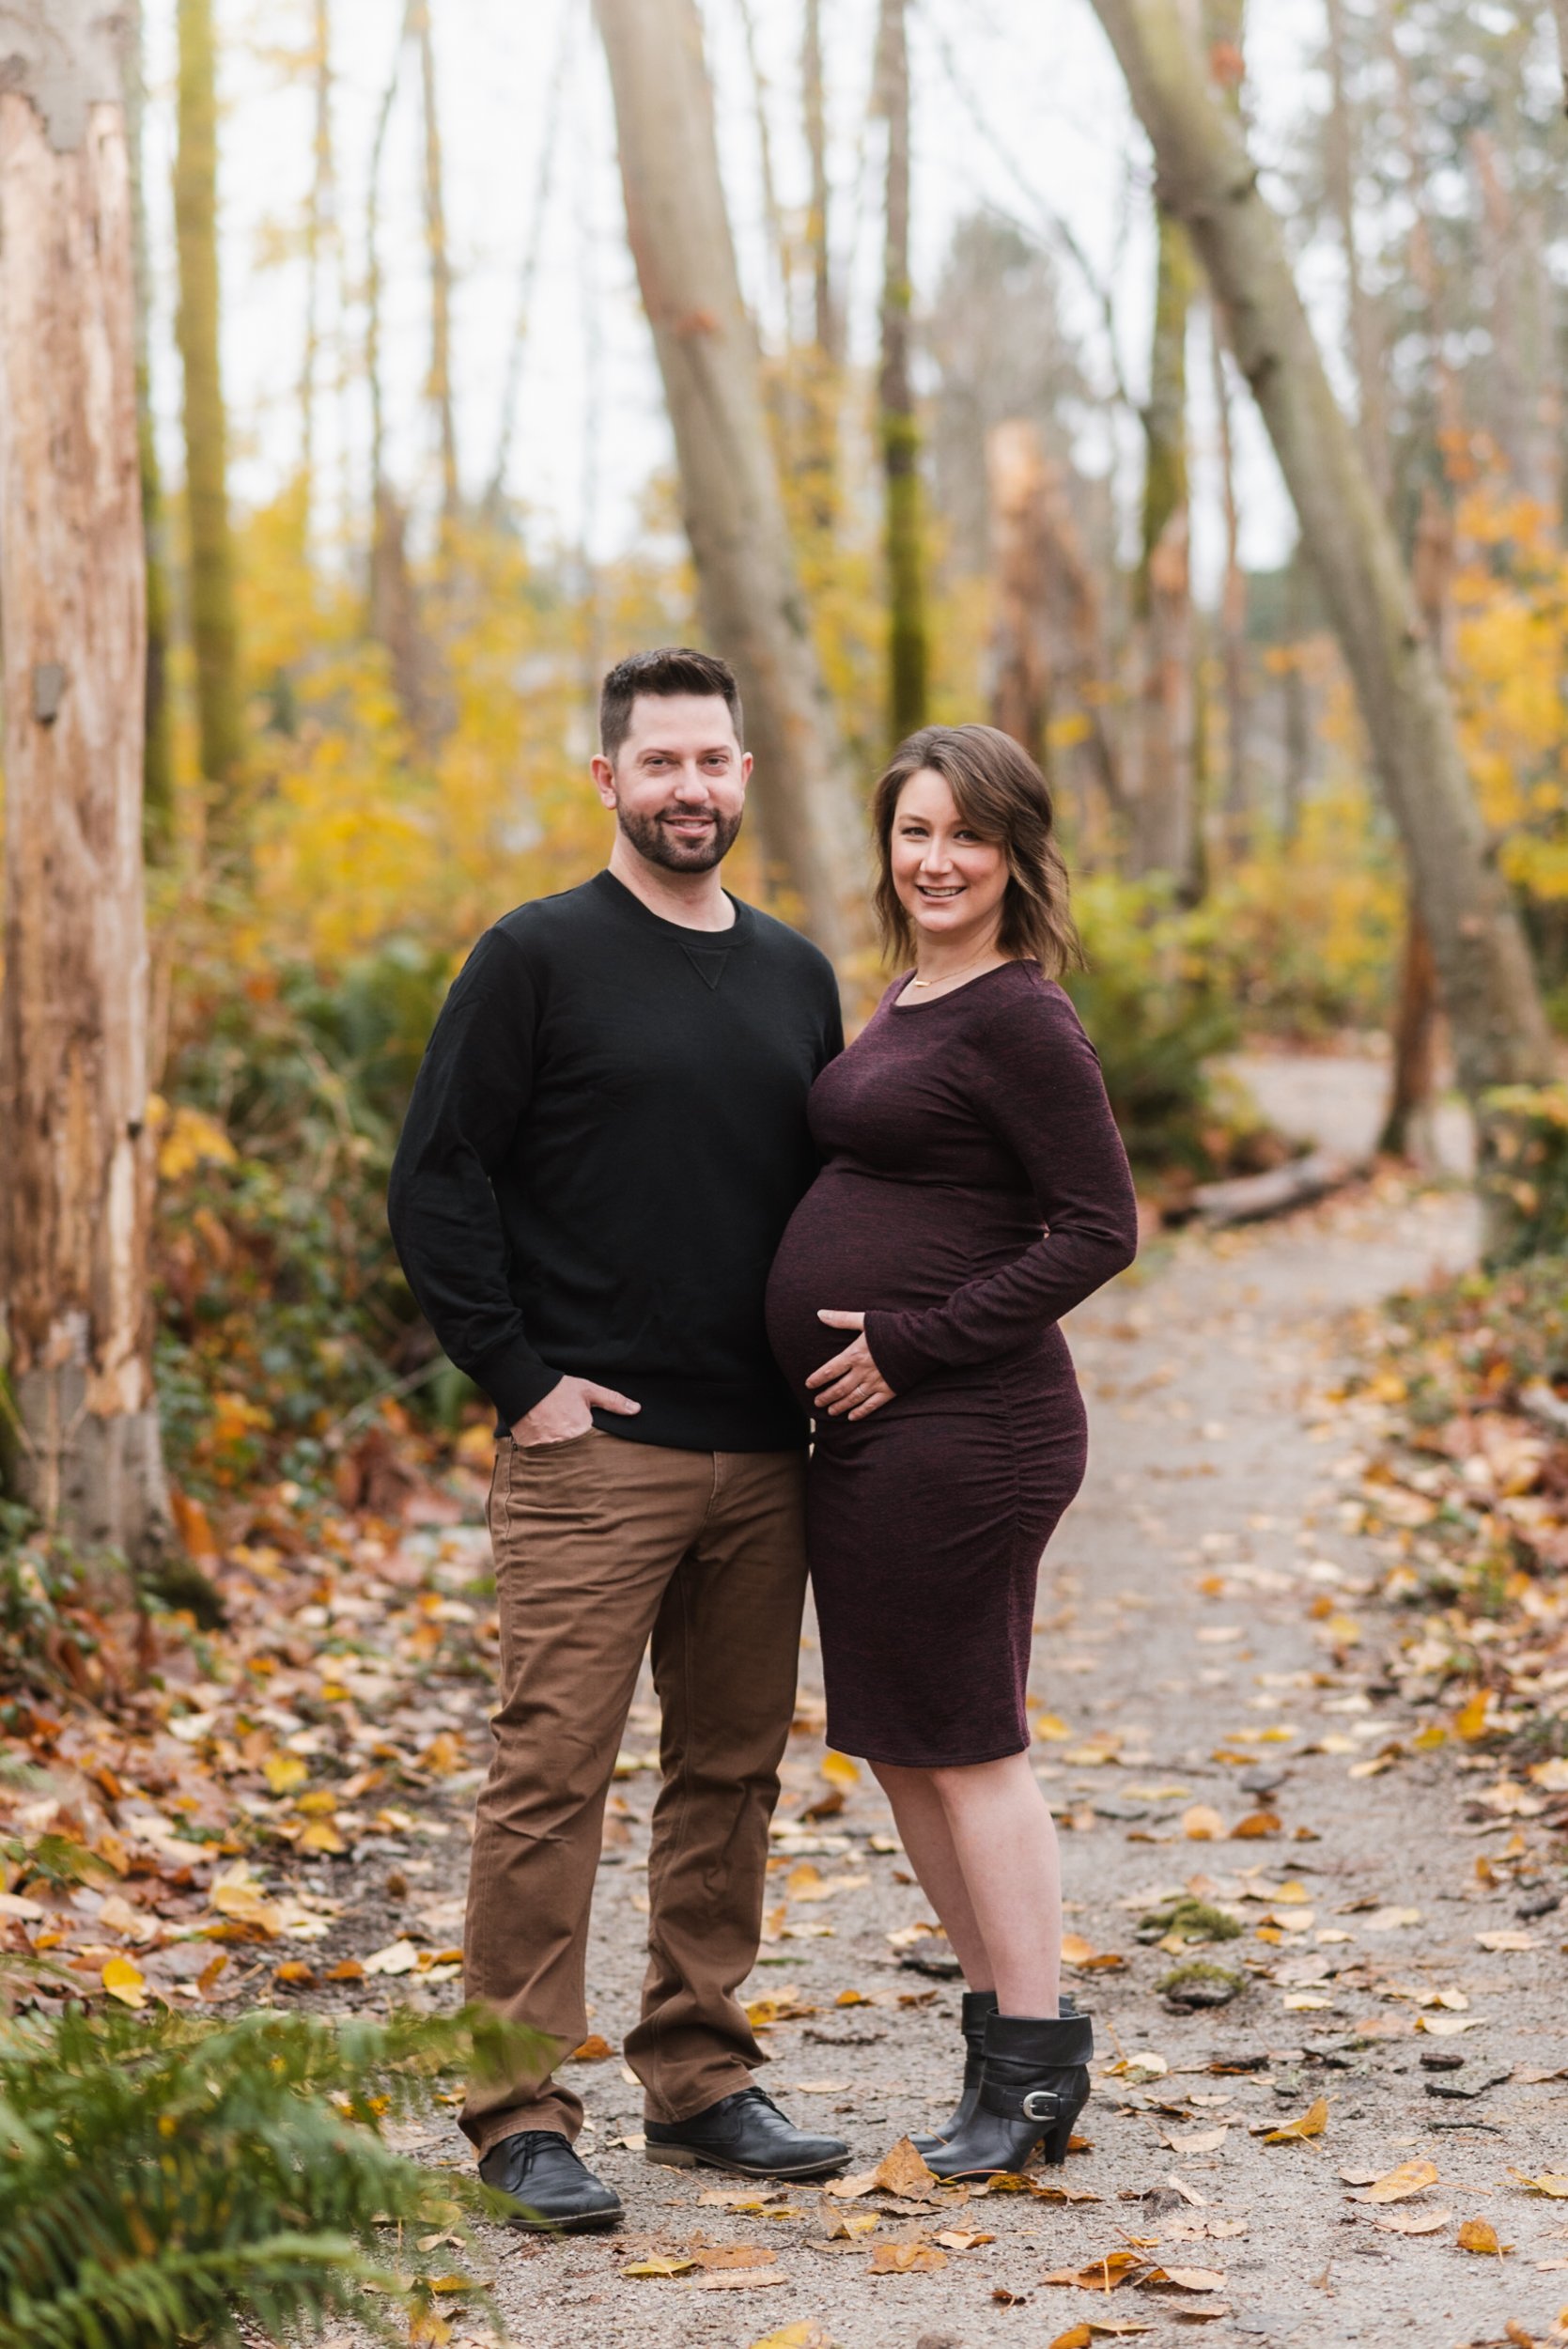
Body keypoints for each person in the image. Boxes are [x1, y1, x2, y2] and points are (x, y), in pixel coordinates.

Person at [387, 647, 850, 2233]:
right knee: (550, 1777)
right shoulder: (533, 958)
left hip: (765, 1449)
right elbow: (436, 1178)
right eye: (659, 764)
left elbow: (835, 1197)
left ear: (742, 775)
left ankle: (701, 2076)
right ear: (606, 781)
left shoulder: (795, 973)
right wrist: (521, 1380)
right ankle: (518, 2109)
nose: (690, 790)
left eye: (713, 763)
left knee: (729, 1773)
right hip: (592, 1450)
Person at [766, 723, 1138, 2180]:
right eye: (914, 832)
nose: (934, 860)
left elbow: (1098, 1228)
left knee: (968, 1739)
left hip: (969, 1427)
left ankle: (1035, 2069)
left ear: (1013, 855)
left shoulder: (1018, 1017)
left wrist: (913, 1339)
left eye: (964, 837)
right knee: (902, 1744)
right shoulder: (914, 997)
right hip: (877, 1436)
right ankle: (1000, 2047)